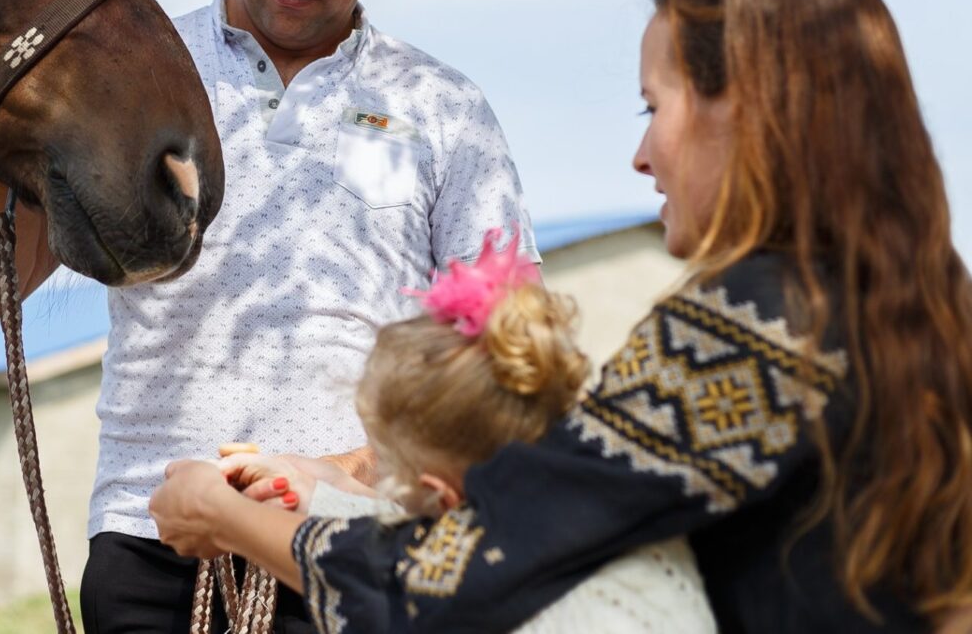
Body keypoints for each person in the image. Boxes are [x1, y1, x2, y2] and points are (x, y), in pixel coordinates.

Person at [149, 0, 972, 631]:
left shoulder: (754, 329)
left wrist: (226, 517)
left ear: (747, 108)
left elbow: (466, 572)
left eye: (655, 106)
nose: (642, 155)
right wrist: (328, 482)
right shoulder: (912, 314)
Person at [0, 0, 539, 633]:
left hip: (357, 542)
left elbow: (508, 357)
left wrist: (348, 469)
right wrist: (35, 107)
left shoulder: (444, 109)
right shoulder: (126, 78)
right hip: (151, 543)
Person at [220, 226, 718, 633]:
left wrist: (223, 514)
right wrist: (306, 481)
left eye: (388, 474)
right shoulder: (596, 511)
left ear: (442, 497)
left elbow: (399, 553)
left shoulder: (490, 600)